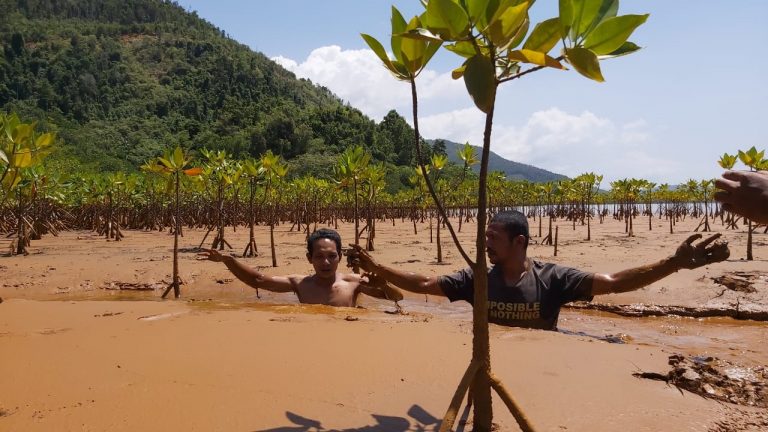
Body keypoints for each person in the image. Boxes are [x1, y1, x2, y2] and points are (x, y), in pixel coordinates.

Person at [348, 210, 730, 330]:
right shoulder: (476, 279)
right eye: (485, 235)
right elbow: (427, 283)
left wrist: (673, 263)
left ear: (520, 242)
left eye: (493, 237)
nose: (485, 243)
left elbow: (613, 283)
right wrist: (376, 265)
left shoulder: (553, 279)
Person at [199, 228, 401, 307]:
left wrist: (384, 286)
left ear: (340, 256)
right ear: (309, 258)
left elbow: (397, 299)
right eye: (319, 257)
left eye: (332, 256)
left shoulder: (354, 283)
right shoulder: (299, 283)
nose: (326, 263)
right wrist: (229, 261)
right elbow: (258, 280)